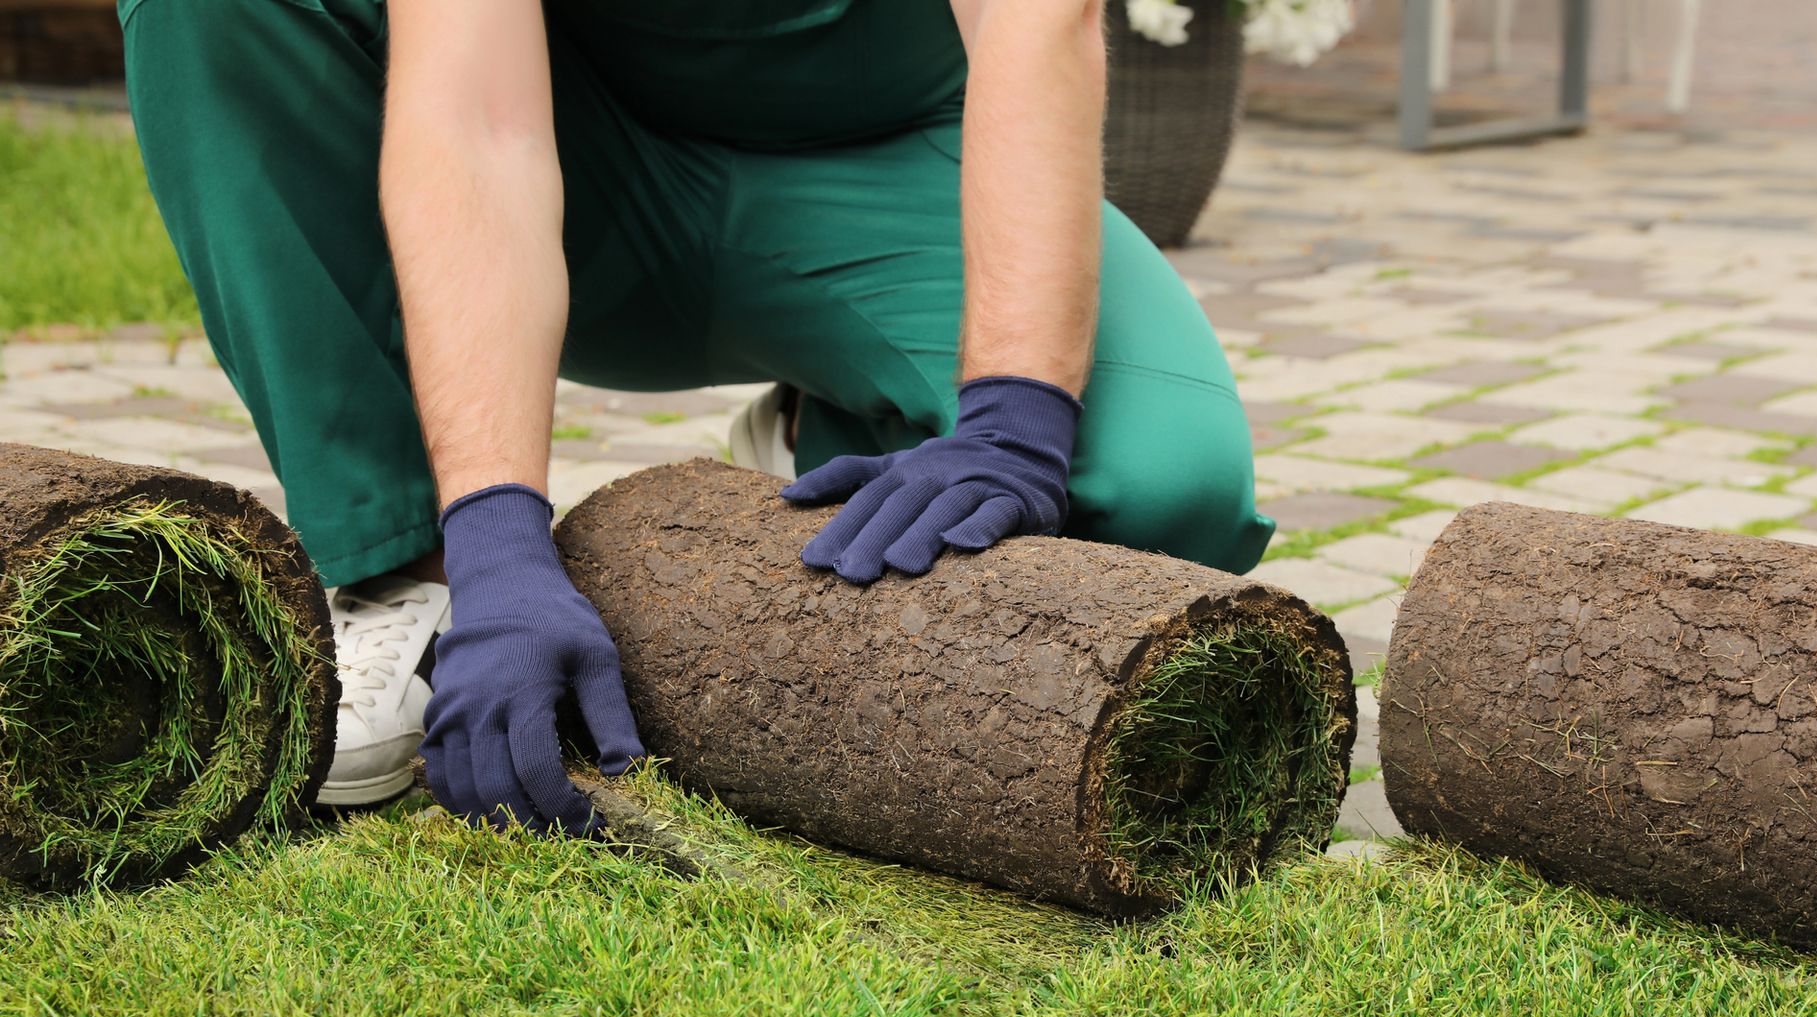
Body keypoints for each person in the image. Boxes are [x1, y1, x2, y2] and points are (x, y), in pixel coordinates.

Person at [119, 0, 1275, 833]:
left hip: (887, 162)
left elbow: (1039, 23)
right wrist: (495, 542)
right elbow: (475, 121)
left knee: (1163, 481)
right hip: (591, 173)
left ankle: (846, 428)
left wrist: (1017, 415)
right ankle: (401, 576)